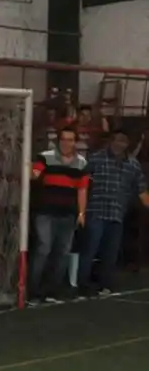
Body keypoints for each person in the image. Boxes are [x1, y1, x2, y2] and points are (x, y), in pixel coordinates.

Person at [77, 129, 149, 297]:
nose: (120, 144)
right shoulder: (96, 159)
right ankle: (83, 285)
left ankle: (105, 285)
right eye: (117, 140)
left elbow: (142, 192)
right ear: (111, 140)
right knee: (90, 250)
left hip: (117, 214)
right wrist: (81, 211)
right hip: (96, 211)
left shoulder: (133, 164)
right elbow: (81, 184)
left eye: (124, 141)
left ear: (128, 144)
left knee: (111, 252)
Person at [29, 126, 88, 304]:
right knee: (43, 248)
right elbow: (34, 175)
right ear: (58, 141)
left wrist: (81, 212)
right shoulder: (45, 157)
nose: (66, 143)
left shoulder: (81, 163)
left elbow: (82, 189)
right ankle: (33, 291)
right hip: (45, 212)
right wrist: (30, 170)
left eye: (70, 139)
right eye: (63, 139)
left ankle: (51, 292)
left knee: (62, 252)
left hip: (67, 214)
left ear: (75, 142)